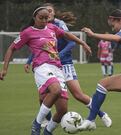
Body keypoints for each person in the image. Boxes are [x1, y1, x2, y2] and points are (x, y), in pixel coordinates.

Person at [0, 6, 92, 135]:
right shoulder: (28, 32)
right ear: (34, 18)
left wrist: (83, 43)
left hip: (57, 68)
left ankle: (47, 132)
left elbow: (66, 34)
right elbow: (11, 48)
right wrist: (4, 69)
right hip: (41, 67)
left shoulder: (52, 28)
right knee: (56, 89)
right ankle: (37, 124)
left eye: (46, 18)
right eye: (41, 18)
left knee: (62, 110)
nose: (43, 21)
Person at [24, 3, 112, 128]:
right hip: (47, 65)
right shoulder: (40, 26)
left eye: (50, 11)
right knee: (43, 96)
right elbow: (39, 48)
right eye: (45, 11)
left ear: (54, 13)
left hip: (65, 64)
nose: (47, 13)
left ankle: (102, 114)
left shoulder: (59, 24)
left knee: (78, 95)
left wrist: (58, 55)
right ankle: (46, 121)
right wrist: (29, 61)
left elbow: (71, 43)